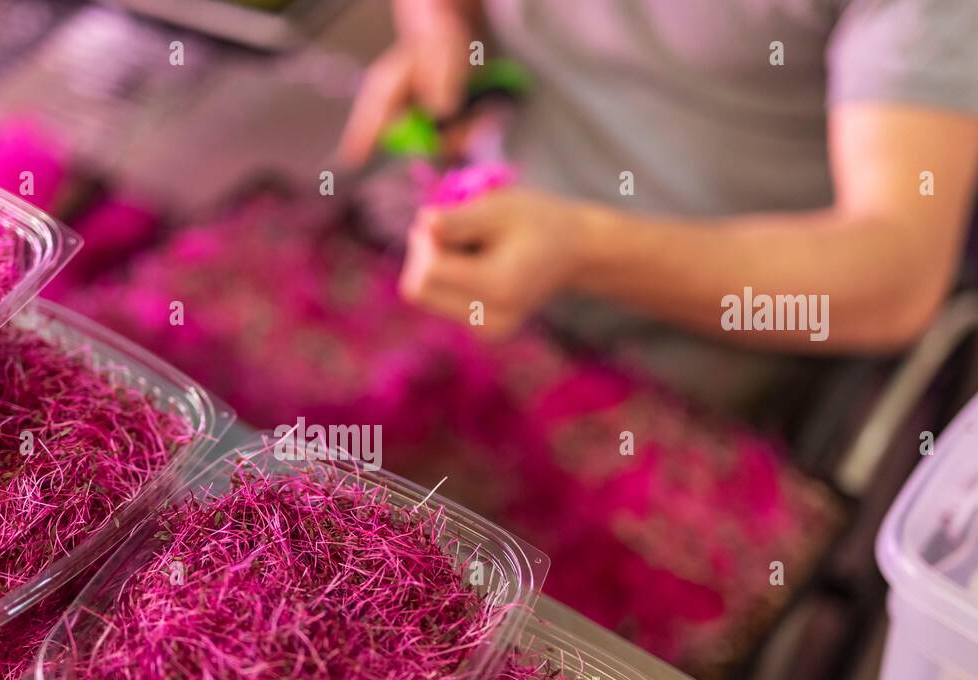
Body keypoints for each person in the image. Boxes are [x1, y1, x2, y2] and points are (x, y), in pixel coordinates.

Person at [339, 0, 978, 416]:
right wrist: (441, 31)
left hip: (696, 337)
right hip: (473, 223)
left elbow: (896, 274)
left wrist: (582, 246)